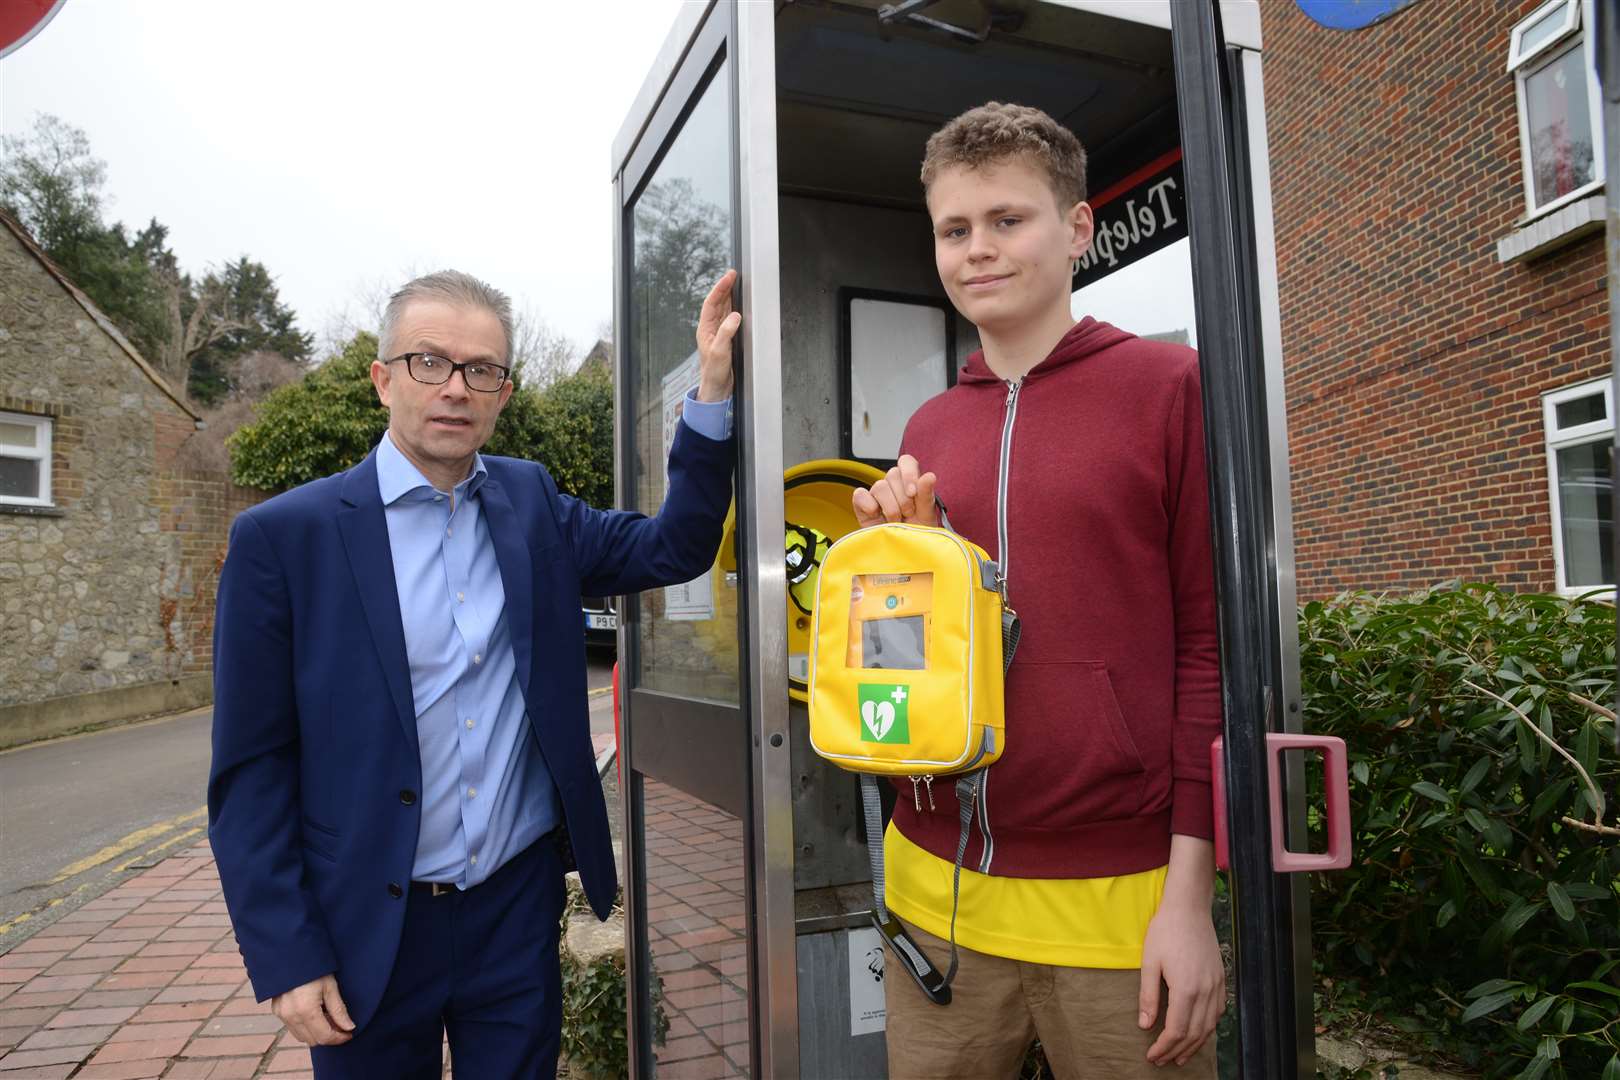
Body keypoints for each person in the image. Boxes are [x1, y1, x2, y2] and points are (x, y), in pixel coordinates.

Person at [208, 268, 742, 1078]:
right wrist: (286, 953)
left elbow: (674, 546)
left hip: (512, 914)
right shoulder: (285, 539)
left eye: (481, 370)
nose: (455, 388)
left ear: (503, 392)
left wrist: (709, 389)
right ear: (383, 379)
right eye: (430, 362)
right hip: (368, 927)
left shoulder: (532, 502)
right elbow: (251, 769)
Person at [853, 102, 1224, 1077]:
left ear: (1077, 228)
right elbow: (913, 667)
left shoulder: (1170, 388)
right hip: (935, 896)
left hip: (1120, 904)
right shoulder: (928, 424)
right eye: (954, 229)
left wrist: (1191, 902)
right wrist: (905, 564)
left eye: (1006, 220)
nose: (977, 249)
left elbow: (1207, 652)